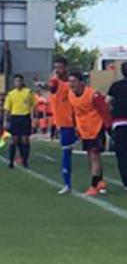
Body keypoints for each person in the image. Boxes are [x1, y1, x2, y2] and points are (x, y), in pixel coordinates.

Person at [65, 71, 110, 197]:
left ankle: (94, 186)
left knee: (94, 156)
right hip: (84, 129)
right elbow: (74, 112)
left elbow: (104, 110)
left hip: (96, 127)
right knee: (90, 156)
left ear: (81, 83)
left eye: (74, 81)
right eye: (70, 81)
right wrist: (75, 127)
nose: (71, 84)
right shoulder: (70, 94)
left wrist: (108, 126)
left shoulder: (93, 95)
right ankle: (100, 181)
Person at [48, 57, 76, 194]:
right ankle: (67, 184)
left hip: (75, 122)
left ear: (65, 67)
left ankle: (97, 182)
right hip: (64, 123)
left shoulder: (71, 83)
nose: (57, 70)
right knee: (67, 152)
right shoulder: (55, 82)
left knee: (91, 153)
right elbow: (51, 87)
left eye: (60, 67)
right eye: (55, 68)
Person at [3, 73, 34, 168]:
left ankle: (25, 160)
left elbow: (33, 105)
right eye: (16, 81)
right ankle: (11, 162)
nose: (18, 83)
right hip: (15, 118)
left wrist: (34, 119)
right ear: (14, 83)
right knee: (14, 140)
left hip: (25, 117)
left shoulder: (28, 92)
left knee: (25, 139)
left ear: (22, 82)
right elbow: (7, 109)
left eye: (19, 81)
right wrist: (6, 121)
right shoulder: (11, 94)